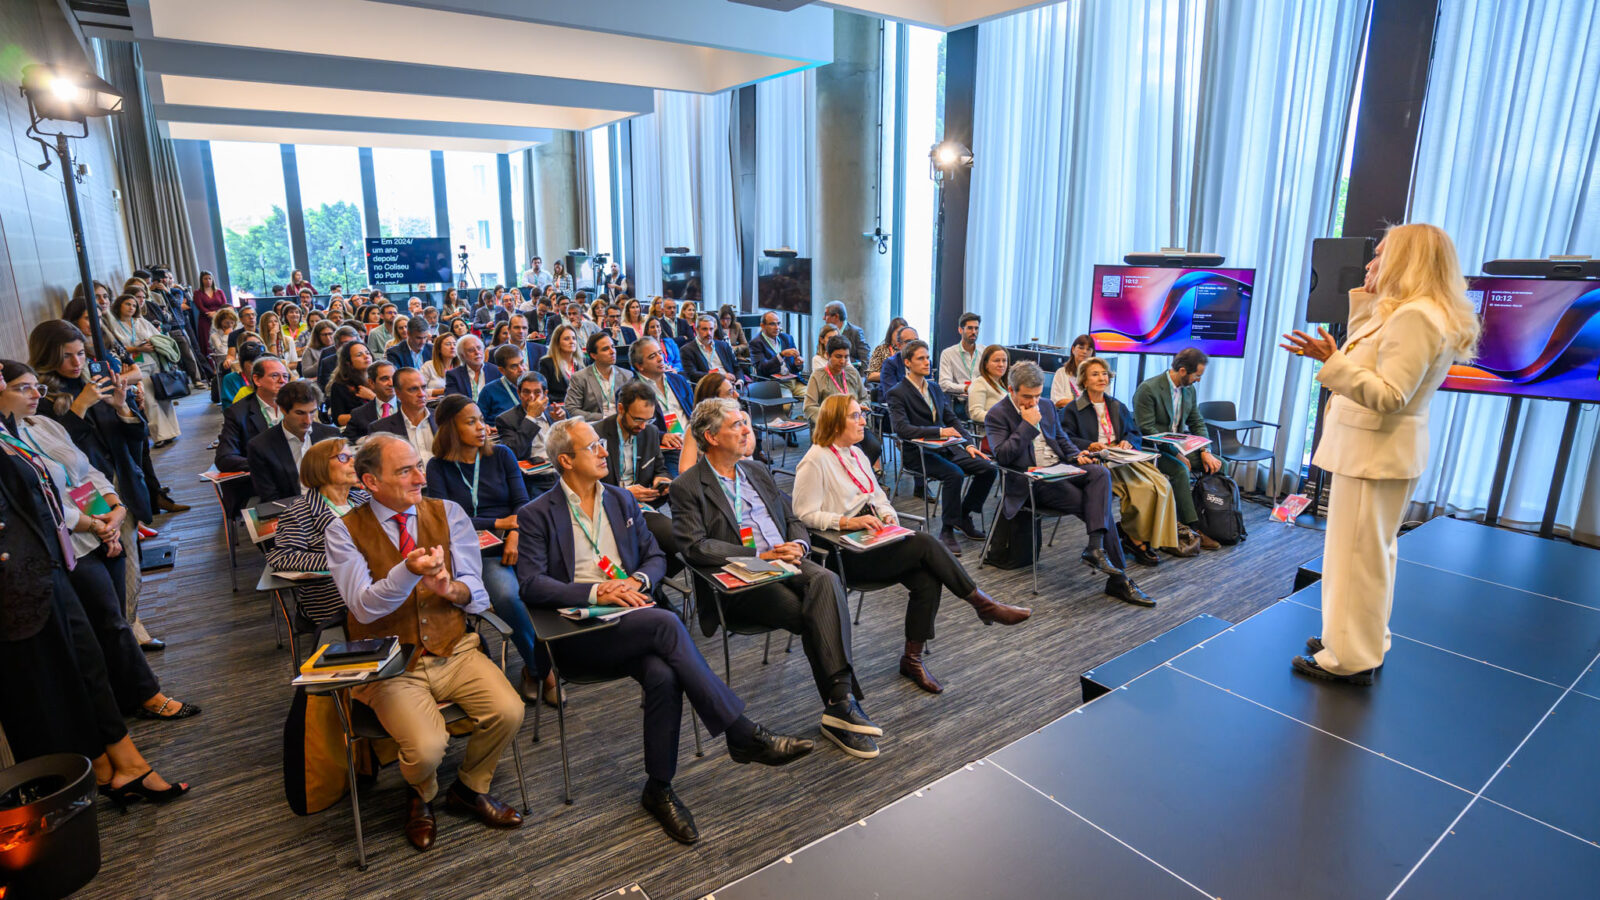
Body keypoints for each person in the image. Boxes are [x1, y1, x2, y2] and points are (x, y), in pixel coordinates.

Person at [517, 417, 813, 842]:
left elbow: (655, 557)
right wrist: (598, 591)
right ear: (565, 460)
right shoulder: (536, 514)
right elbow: (530, 583)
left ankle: (659, 788)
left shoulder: (621, 500)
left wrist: (638, 581)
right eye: (593, 446)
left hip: (633, 619)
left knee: (663, 674)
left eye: (601, 443)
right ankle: (741, 732)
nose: (604, 450)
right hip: (577, 632)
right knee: (667, 623)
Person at [1279, 223, 1479, 685]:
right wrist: (1369, 299)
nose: (1369, 263)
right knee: (1369, 557)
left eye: (1381, 255)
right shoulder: (1413, 312)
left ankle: (1349, 659)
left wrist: (1330, 363)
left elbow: (1390, 395)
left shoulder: (1415, 317)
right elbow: (1372, 356)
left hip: (1373, 453)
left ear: (1407, 261)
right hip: (1379, 453)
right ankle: (1356, 640)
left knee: (1356, 560)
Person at [324, 433, 525, 850]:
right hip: (390, 660)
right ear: (371, 482)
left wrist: (450, 590)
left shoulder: (448, 512)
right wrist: (408, 571)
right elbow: (362, 608)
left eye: (419, 465)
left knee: (509, 711)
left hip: (454, 647)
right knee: (428, 748)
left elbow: (476, 591)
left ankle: (469, 787)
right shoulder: (343, 530)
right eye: (405, 471)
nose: (421, 477)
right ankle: (422, 793)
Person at [0, 389, 191, 806]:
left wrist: (112, 511)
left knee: (93, 659)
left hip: (56, 560)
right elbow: (43, 505)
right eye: (22, 386)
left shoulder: (29, 428)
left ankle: (123, 764)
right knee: (75, 670)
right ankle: (108, 767)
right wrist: (93, 524)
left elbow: (77, 476)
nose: (33, 394)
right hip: (32, 576)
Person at [670, 398, 882, 760]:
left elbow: (794, 517)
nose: (746, 430)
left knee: (826, 580)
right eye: (736, 425)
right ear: (712, 437)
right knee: (816, 614)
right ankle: (842, 705)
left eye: (745, 422)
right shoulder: (688, 486)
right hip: (743, 576)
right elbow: (695, 546)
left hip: (787, 560)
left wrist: (798, 544)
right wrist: (757, 554)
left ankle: (840, 703)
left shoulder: (755, 470)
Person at [797, 394, 1028, 695]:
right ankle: (983, 604)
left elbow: (877, 496)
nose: (863, 421)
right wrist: (846, 522)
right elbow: (804, 514)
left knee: (927, 578)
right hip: (845, 551)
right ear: (835, 422)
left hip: (874, 537)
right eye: (855, 416)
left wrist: (887, 516)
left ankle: (912, 659)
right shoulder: (815, 460)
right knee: (925, 543)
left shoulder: (856, 454)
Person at [424, 395, 557, 704]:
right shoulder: (437, 467)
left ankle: (548, 660)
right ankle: (541, 670)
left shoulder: (502, 454)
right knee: (509, 596)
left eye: (481, 420)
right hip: (475, 550)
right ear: (450, 429)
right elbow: (448, 519)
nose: (482, 428)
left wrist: (515, 533)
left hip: (518, 538)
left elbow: (522, 502)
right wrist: (498, 523)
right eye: (471, 422)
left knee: (550, 583)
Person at [986, 361, 1154, 607]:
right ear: (1011, 390)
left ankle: (1095, 548)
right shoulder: (997, 414)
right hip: (1032, 481)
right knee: (1098, 508)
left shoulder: (1046, 405)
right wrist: (1027, 425)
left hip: (1060, 468)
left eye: (1037, 395)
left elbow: (1061, 439)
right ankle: (1118, 578)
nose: (1033, 402)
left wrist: (1076, 455)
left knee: (1099, 473)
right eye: (1027, 397)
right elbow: (1002, 456)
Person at [1060, 358, 1179, 567]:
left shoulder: (1116, 405)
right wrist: (1090, 445)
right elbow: (1064, 438)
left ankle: (1147, 535)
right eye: (1095, 374)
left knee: (1162, 485)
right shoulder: (1072, 409)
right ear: (1084, 381)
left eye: (1104, 373)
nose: (1102, 378)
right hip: (1097, 462)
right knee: (1142, 489)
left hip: (1122, 457)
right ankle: (1135, 540)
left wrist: (1128, 441)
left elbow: (1134, 432)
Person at [888, 340, 995, 555]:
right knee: (954, 474)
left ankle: (962, 516)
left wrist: (969, 445)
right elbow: (902, 429)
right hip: (919, 453)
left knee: (988, 468)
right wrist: (938, 432)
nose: (927, 362)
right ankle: (946, 530)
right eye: (921, 358)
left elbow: (952, 419)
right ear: (907, 362)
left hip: (946, 448)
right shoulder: (897, 392)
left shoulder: (934, 388)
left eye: (928, 358)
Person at [264, 437, 370, 625]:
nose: (353, 462)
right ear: (319, 466)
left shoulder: (364, 499)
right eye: (343, 458)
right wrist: (340, 559)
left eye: (353, 456)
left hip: (376, 585)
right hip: (335, 599)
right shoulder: (300, 511)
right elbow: (281, 557)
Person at [1132, 348, 1224, 551]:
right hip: (1152, 448)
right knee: (1180, 470)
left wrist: (1205, 450)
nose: (1198, 380)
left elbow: (1197, 422)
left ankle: (1214, 519)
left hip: (1179, 447)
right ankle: (1192, 527)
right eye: (1197, 375)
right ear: (1182, 371)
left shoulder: (1189, 390)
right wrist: (1176, 452)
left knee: (1220, 463)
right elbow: (1147, 429)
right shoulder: (1148, 389)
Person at [106, 291, 181, 446]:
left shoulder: (141, 321)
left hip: (153, 361)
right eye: (127, 304)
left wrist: (152, 343)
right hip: (135, 366)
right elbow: (115, 347)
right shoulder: (113, 325)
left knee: (164, 396)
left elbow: (158, 337)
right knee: (149, 401)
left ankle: (173, 431)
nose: (131, 308)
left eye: (134, 305)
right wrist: (137, 348)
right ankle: (160, 435)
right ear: (119, 305)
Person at [247, 379, 341, 503]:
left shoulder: (331, 435)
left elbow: (342, 480)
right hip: (291, 508)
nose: (308, 420)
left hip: (332, 503)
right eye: (300, 413)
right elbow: (270, 498)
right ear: (283, 410)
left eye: (312, 412)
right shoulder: (260, 446)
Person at [804, 336, 880, 466]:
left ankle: (860, 474)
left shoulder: (852, 373)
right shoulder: (817, 376)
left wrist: (861, 406)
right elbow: (809, 407)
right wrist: (834, 417)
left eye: (846, 357)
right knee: (856, 451)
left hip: (854, 424)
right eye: (838, 356)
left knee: (875, 448)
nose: (843, 361)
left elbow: (864, 398)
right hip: (832, 428)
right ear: (828, 355)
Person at [628, 337, 693, 477]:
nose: (660, 358)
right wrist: (661, 436)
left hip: (693, 441)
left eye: (660, 353)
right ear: (640, 366)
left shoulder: (678, 380)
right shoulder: (631, 391)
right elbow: (632, 427)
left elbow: (694, 410)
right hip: (666, 451)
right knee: (681, 483)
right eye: (652, 356)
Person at [371, 368, 437, 468]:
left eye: (423, 387)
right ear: (398, 393)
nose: (422, 394)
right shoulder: (381, 429)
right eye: (413, 389)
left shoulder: (444, 419)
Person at [564, 332, 631, 422]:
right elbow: (571, 409)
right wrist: (603, 418)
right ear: (593, 355)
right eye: (605, 349)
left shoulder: (627, 375)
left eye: (612, 347)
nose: (612, 352)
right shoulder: (580, 378)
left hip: (623, 423)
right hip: (594, 425)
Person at [749, 311, 805, 398]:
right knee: (786, 403)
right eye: (772, 324)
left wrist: (797, 364)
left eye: (778, 323)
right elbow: (762, 368)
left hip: (794, 381)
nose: (777, 327)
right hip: (774, 384)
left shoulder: (787, 338)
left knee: (813, 399)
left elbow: (796, 368)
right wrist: (781, 355)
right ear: (762, 326)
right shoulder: (756, 343)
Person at [327, 340, 377, 428]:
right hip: (358, 430)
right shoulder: (340, 386)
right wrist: (366, 416)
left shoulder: (381, 379)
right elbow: (339, 419)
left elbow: (394, 407)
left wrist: (373, 397)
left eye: (367, 353)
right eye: (359, 355)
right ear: (348, 362)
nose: (366, 356)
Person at [938, 313, 984, 409]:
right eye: (970, 328)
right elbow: (944, 384)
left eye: (976, 328)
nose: (974, 332)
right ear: (960, 330)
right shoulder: (948, 354)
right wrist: (965, 388)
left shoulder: (984, 351)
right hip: (960, 401)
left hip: (982, 399)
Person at [681, 314, 740, 386]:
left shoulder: (723, 346)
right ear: (696, 330)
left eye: (711, 329)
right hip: (708, 386)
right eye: (704, 329)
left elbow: (736, 367)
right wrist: (721, 376)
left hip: (731, 384)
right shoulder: (687, 350)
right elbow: (693, 374)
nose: (708, 333)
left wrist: (740, 380)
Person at [477, 344, 526, 423]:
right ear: (502, 370)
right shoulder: (489, 391)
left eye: (522, 363)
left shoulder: (535, 384)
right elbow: (479, 421)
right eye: (514, 366)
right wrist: (487, 427)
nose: (521, 369)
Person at [445, 334, 499, 401]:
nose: (477, 352)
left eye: (479, 348)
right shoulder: (454, 375)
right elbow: (451, 401)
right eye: (471, 350)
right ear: (462, 355)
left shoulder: (496, 371)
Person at [539, 324, 583, 404]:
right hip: (558, 406)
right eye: (566, 339)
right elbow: (543, 392)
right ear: (557, 343)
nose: (572, 342)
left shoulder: (583, 363)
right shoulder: (546, 363)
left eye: (574, 338)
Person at [967, 344, 1009, 422]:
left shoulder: (1001, 383)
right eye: (996, 361)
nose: (1001, 364)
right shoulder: (979, 383)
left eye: (1004, 360)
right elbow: (975, 414)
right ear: (986, 364)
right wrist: (1002, 419)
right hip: (993, 427)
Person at [822, 301, 870, 367]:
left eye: (826, 315)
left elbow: (865, 360)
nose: (823, 318)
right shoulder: (825, 333)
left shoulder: (855, 332)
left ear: (836, 316)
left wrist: (858, 374)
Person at [866, 316, 908, 385]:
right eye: (898, 332)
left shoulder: (910, 351)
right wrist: (890, 374)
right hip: (887, 386)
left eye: (903, 333)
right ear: (891, 332)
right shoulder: (881, 349)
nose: (901, 336)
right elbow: (870, 375)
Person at [878, 325, 917, 396]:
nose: (914, 345)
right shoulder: (890, 363)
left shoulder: (925, 362)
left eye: (916, 341)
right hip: (894, 402)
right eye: (909, 341)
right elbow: (891, 394)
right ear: (899, 345)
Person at [422, 332, 456, 398]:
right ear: (439, 349)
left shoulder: (461, 367)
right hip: (435, 402)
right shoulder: (428, 366)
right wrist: (442, 391)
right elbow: (420, 390)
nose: (452, 347)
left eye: (455, 344)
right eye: (448, 344)